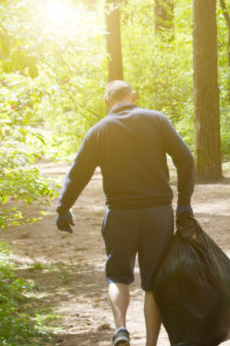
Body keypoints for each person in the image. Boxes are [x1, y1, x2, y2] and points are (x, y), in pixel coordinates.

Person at [54, 80, 195, 346]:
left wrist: (64, 207)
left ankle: (121, 328)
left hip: (120, 214)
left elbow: (78, 172)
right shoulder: (157, 120)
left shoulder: (100, 130)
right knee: (153, 282)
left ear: (107, 101)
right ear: (133, 96)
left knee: (118, 276)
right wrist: (184, 204)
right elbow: (185, 158)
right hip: (158, 213)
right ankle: (150, 344)